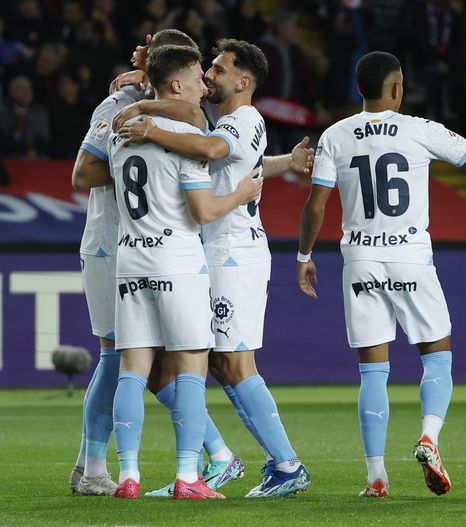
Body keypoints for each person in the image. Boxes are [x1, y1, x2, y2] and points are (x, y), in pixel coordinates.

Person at [295, 51, 466, 498]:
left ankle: (376, 478)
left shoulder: (335, 135)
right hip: (410, 255)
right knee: (437, 355)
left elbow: (316, 204)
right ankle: (429, 437)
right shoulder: (420, 129)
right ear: (397, 88)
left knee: (372, 372)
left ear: (360, 89)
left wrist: (304, 256)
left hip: (359, 260)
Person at [116, 38, 313, 498]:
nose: (210, 75)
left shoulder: (245, 118)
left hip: (232, 251)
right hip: (203, 251)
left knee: (230, 362)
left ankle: (286, 465)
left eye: (219, 70)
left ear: (243, 82)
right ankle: (219, 457)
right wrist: (287, 162)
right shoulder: (230, 122)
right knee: (167, 366)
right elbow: (240, 160)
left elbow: (211, 149)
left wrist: (148, 127)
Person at [69, 29, 246, 498]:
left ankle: (132, 470)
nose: (205, 86)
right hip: (120, 247)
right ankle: (109, 467)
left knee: (135, 362)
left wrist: (145, 126)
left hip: (131, 253)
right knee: (151, 361)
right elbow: (82, 173)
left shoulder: (147, 114)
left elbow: (190, 116)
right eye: (197, 76)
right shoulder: (121, 110)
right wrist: (156, 146)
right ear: (170, 76)